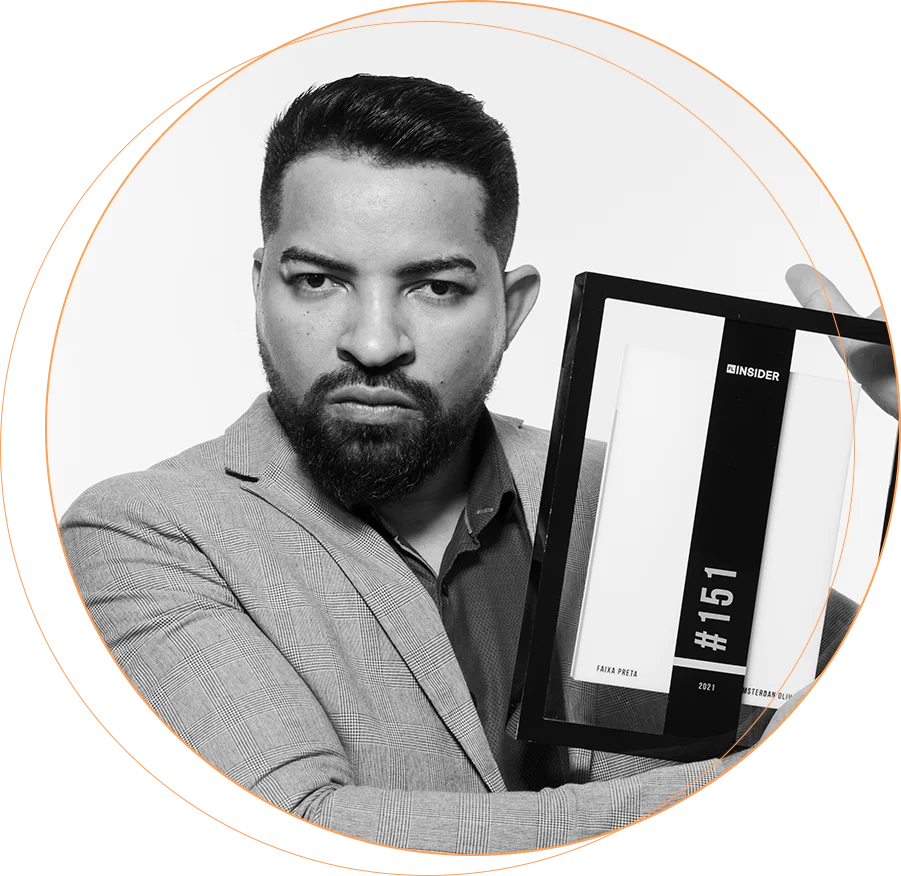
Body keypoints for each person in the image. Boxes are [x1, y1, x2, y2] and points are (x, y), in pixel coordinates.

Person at [59, 74, 895, 854]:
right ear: (260, 289)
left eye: (435, 287)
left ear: (511, 308)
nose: (373, 342)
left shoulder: (645, 492)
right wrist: (783, 787)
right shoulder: (145, 533)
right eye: (317, 281)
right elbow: (300, 828)